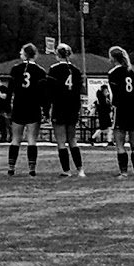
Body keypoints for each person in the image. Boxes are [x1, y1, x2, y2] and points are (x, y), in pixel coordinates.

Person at [7, 43, 46, 176]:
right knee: (31, 140)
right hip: (33, 106)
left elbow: (10, 89)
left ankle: (11, 168)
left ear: (24, 54)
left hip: (19, 105)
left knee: (15, 139)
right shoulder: (40, 71)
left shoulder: (16, 69)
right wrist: (45, 109)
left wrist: (7, 106)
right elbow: (43, 93)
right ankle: (32, 169)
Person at [48, 43, 86, 178]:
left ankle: (66, 170)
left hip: (59, 106)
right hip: (73, 107)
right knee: (72, 139)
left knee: (61, 141)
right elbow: (79, 91)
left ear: (57, 54)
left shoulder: (54, 69)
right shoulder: (75, 70)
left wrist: (47, 108)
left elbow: (51, 90)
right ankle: (80, 169)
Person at [107, 46, 134, 177]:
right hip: (133, 108)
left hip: (121, 109)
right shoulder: (130, 71)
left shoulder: (113, 73)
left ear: (113, 58)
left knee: (120, 142)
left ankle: (123, 171)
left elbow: (115, 94)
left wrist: (112, 106)